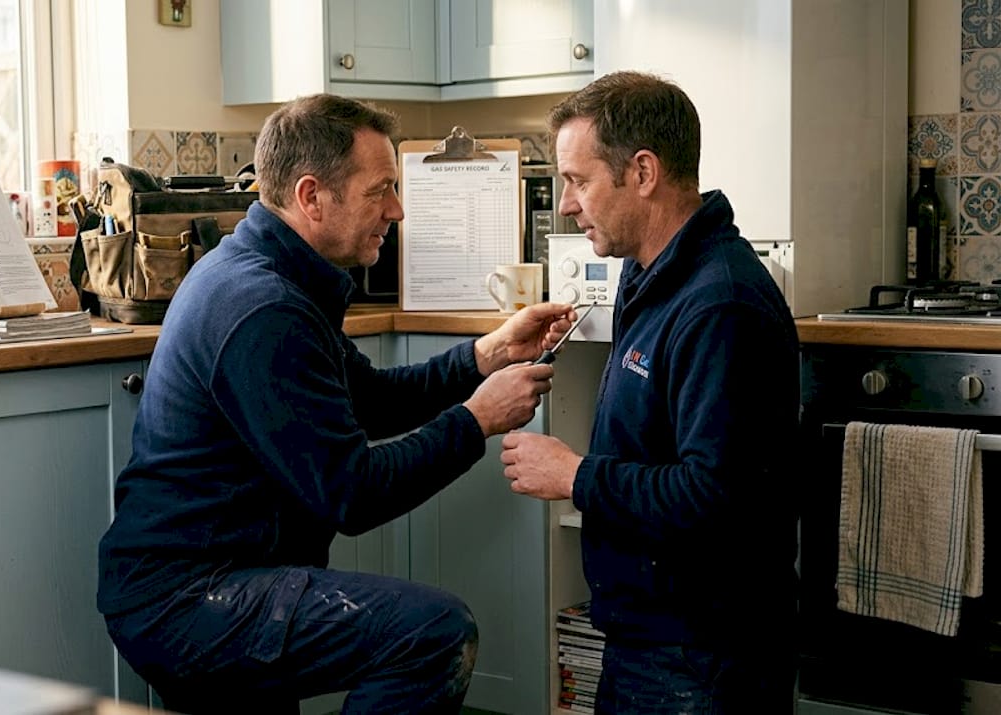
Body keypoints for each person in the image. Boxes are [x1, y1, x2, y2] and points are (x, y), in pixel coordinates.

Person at [97, 93, 570, 714]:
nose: (397, 211)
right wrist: (477, 419)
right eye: (381, 191)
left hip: (221, 579)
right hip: (190, 597)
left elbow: (370, 400)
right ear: (311, 196)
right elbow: (353, 494)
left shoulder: (273, 275)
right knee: (431, 635)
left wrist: (489, 352)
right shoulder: (263, 309)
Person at [500, 71, 800, 713]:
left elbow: (714, 497)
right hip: (650, 642)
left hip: (700, 656)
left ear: (642, 172)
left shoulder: (720, 305)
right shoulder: (652, 274)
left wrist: (574, 476)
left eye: (579, 181)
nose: (567, 203)